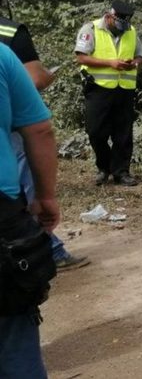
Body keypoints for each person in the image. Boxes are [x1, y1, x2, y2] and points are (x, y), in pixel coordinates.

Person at [0, 0, 87, 270]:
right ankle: (49, 249)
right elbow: (35, 83)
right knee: (26, 188)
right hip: (12, 132)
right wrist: (47, 196)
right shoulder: (10, 33)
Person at [0, 41, 60, 378]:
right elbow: (39, 129)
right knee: (14, 338)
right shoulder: (2, 54)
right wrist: (45, 196)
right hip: (3, 216)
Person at [74, 0, 142, 186]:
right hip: (98, 87)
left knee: (123, 133)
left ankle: (121, 172)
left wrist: (134, 63)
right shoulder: (91, 29)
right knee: (95, 131)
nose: (122, 28)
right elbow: (81, 57)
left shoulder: (131, 30)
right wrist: (110, 63)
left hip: (124, 88)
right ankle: (104, 167)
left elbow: (141, 55)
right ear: (109, 16)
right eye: (119, 23)